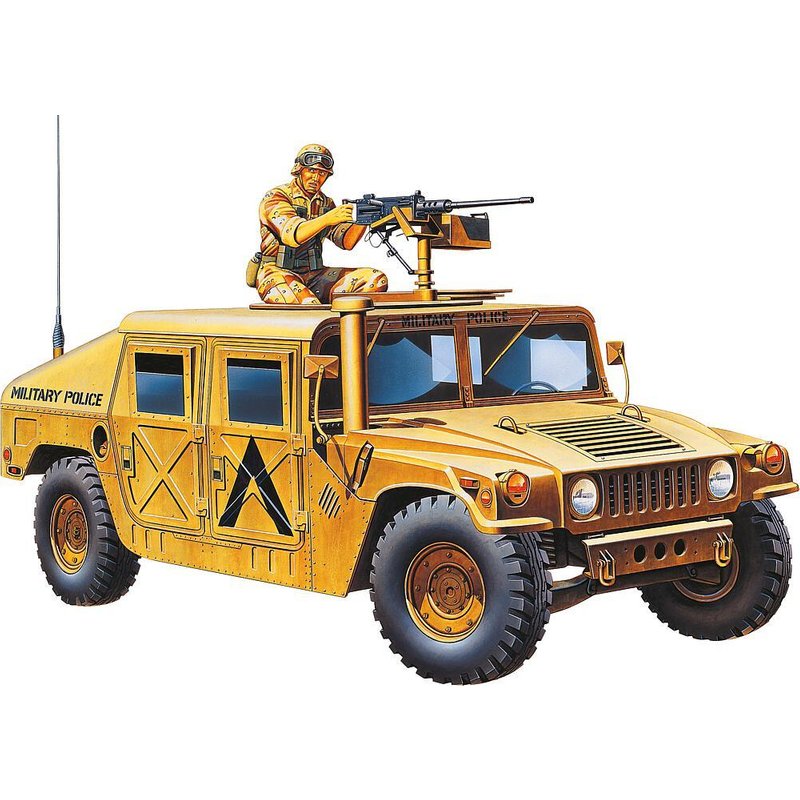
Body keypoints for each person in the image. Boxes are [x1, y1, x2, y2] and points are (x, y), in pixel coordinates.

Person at [246, 144, 388, 304]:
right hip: (277, 272)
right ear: (299, 170)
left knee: (375, 280)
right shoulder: (277, 197)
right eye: (311, 171)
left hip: (314, 275)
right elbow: (292, 235)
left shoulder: (325, 203)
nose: (316, 178)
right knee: (309, 305)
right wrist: (328, 218)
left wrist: (364, 218)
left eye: (322, 173)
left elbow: (345, 242)